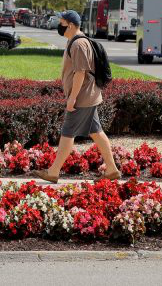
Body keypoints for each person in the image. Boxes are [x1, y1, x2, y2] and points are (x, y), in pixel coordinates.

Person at [33, 10, 121, 183]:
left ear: (71, 25)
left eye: (62, 22)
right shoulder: (75, 42)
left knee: (68, 132)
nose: (59, 25)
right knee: (96, 132)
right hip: (88, 96)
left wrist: (72, 98)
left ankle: (53, 171)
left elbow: (80, 73)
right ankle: (111, 169)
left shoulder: (78, 44)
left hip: (82, 98)